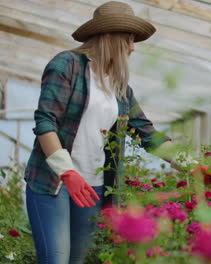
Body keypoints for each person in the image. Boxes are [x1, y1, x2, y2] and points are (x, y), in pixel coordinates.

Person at [23, 2, 171, 263]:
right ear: (110, 36)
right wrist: (67, 172)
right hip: (53, 182)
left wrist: (193, 165)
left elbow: (147, 134)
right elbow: (46, 122)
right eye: (129, 39)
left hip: (93, 186)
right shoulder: (67, 65)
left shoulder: (119, 86)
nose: (133, 47)